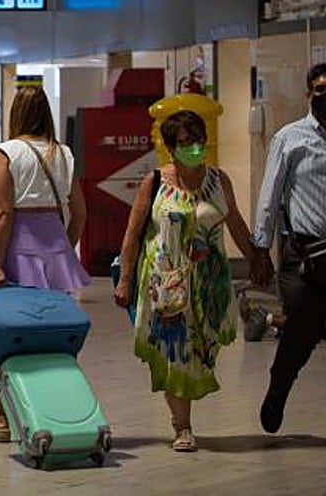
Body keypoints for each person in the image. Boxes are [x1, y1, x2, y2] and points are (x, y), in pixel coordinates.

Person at [113, 109, 266, 451]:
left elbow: (236, 224)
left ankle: (183, 418)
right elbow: (133, 235)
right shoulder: (154, 183)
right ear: (170, 147)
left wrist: (257, 258)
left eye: (198, 141)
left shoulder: (218, 180)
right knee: (176, 353)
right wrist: (124, 279)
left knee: (200, 353)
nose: (194, 148)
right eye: (185, 143)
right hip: (166, 283)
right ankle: (182, 426)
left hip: (209, 284)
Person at [0, 84, 91, 442]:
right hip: (55, 246)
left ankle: (2, 416)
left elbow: (3, 212)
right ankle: (54, 405)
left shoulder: (6, 152)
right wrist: (63, 248)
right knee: (53, 331)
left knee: (6, 328)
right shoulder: (64, 154)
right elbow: (81, 213)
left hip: (17, 246)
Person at [251, 63, 326, 434]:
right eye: (320, 89)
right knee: (302, 329)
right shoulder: (290, 138)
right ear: (309, 94)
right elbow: (270, 195)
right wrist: (260, 249)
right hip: (302, 253)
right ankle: (278, 389)